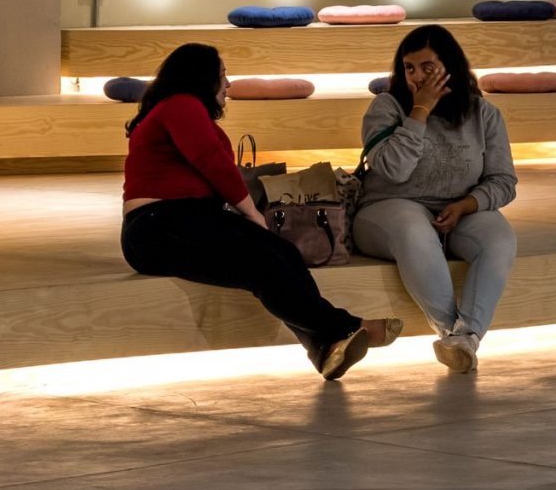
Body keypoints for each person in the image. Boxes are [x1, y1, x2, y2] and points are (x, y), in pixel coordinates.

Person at [120, 44, 375, 380]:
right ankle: (348, 327)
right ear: (202, 78)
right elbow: (212, 162)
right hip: (157, 226)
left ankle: (324, 347)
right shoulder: (181, 103)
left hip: (188, 219)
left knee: (283, 252)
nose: (228, 84)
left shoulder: (182, 108)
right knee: (261, 263)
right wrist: (253, 215)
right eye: (222, 74)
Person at [353, 25, 518, 374]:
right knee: (414, 229)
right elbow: (394, 170)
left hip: (458, 208)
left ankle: (464, 339)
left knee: (499, 238)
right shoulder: (385, 107)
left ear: (450, 67)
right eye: (409, 68)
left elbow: (504, 181)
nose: (417, 76)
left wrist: (468, 204)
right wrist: (420, 111)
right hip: (387, 208)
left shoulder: (484, 114)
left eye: (427, 67)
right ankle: (449, 332)